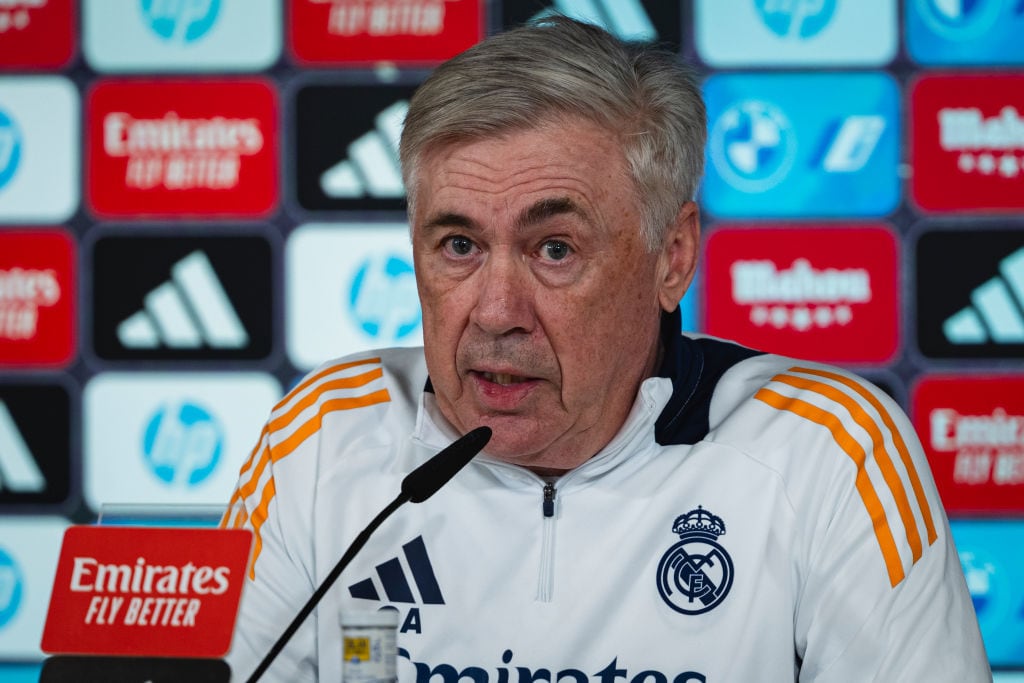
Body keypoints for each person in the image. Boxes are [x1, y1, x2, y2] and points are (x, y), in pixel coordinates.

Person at [223, 17, 989, 682]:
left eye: (554, 248)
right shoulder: (324, 441)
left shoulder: (830, 453)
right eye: (459, 244)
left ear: (673, 256)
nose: (496, 311)